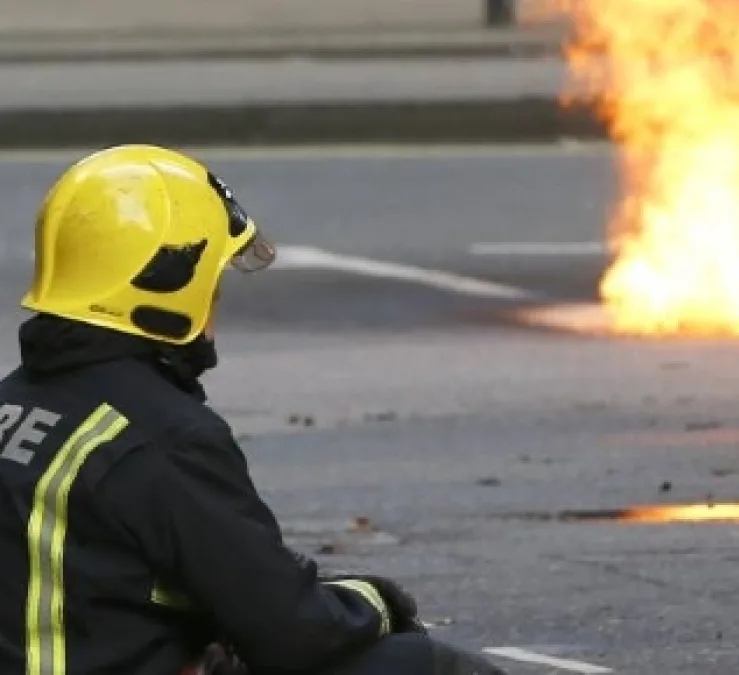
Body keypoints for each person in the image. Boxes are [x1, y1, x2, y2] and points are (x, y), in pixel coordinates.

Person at [0, 145, 507, 675]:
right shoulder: (162, 438)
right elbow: (293, 631)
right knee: (422, 664)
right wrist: (376, 602)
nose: (215, 302)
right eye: (212, 283)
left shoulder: (14, 407)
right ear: (170, 284)